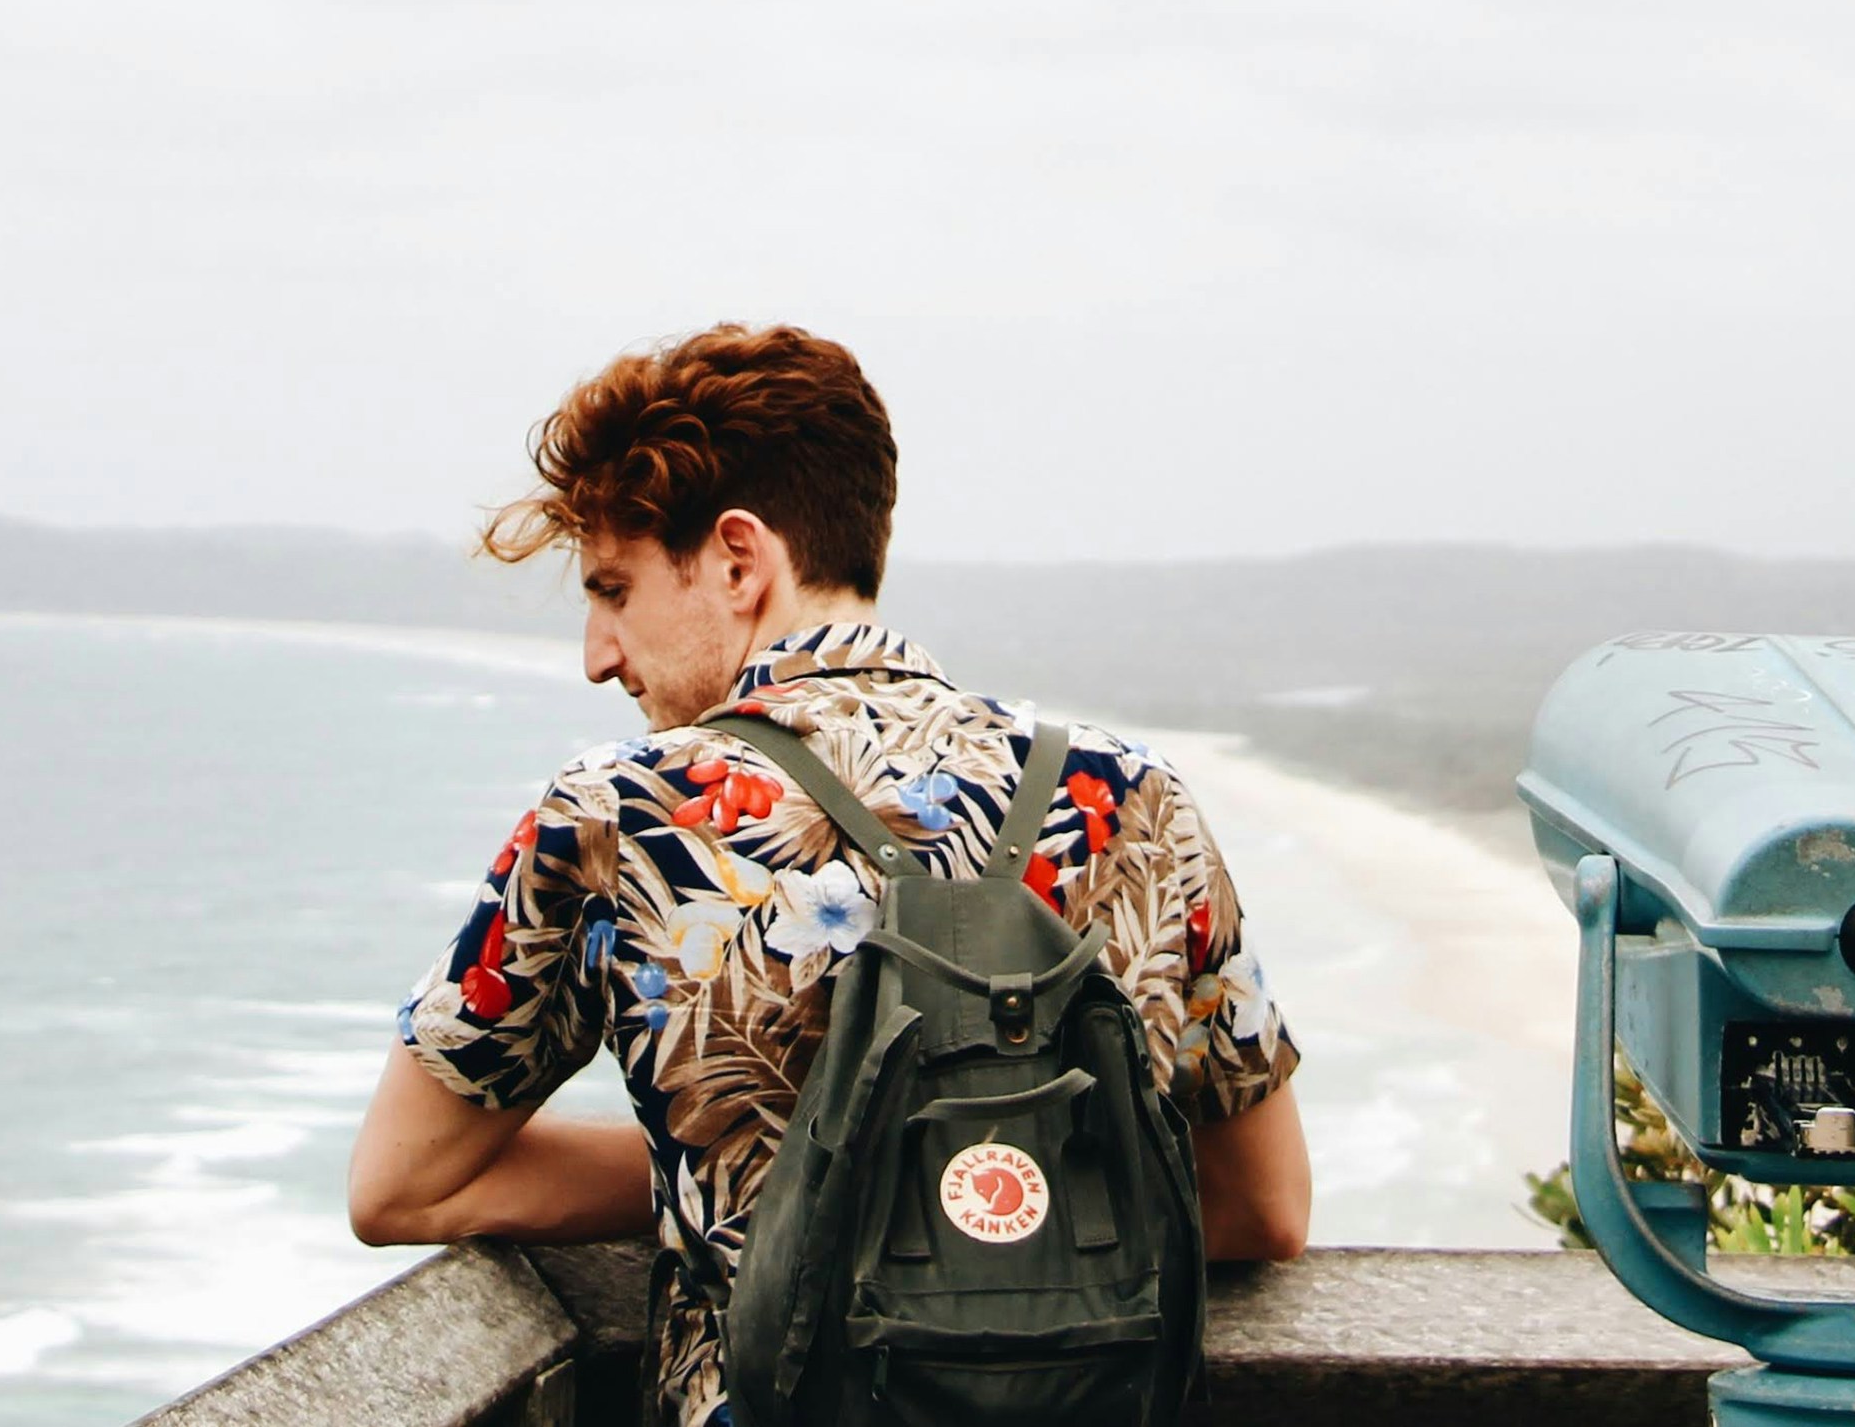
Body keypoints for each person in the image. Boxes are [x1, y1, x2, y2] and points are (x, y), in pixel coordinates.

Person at [347, 324, 1312, 1424]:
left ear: (737, 558)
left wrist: (746, 1169)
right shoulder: (1134, 799)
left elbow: (403, 1186)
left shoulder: (619, 817)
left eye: (613, 589)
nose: (596, 655)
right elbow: (1262, 1211)